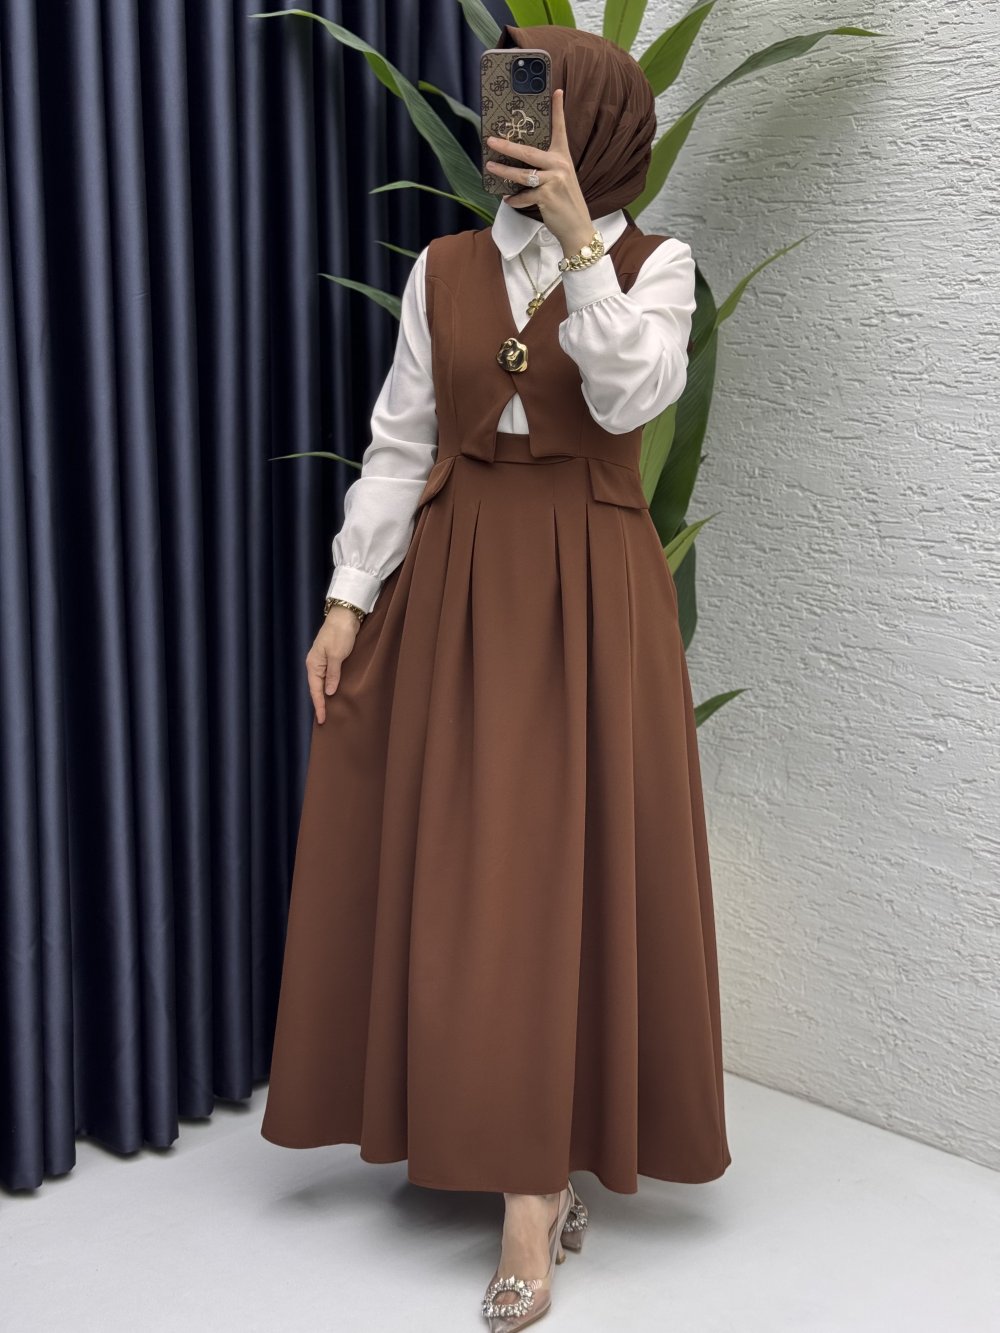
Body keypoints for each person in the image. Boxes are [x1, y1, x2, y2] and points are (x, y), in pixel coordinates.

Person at [261, 22, 731, 1331]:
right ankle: (475, 1125)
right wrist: (349, 599)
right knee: (468, 869)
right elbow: (399, 445)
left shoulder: (655, 265)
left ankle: (535, 1188)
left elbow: (632, 397)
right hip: (459, 579)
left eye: (540, 108)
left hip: (591, 589)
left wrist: (581, 242)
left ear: (598, 128)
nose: (508, 133)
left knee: (561, 871)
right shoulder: (447, 268)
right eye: (503, 106)